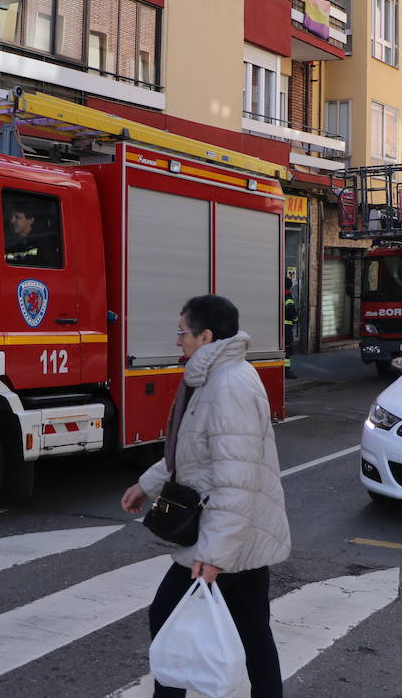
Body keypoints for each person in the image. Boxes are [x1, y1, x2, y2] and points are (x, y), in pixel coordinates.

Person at [121, 295, 291, 698]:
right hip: (242, 535)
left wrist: (213, 555)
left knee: (167, 617)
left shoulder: (228, 385)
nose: (178, 340)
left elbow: (236, 480)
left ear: (206, 336)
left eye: (183, 332)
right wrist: (147, 484)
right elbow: (193, 453)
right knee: (252, 633)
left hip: (225, 535)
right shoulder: (216, 378)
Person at [283, 276, 298, 380]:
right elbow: (291, 312)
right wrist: (297, 319)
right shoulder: (288, 296)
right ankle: (286, 371)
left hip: (280, 327)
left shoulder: (279, 294)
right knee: (287, 349)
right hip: (287, 327)